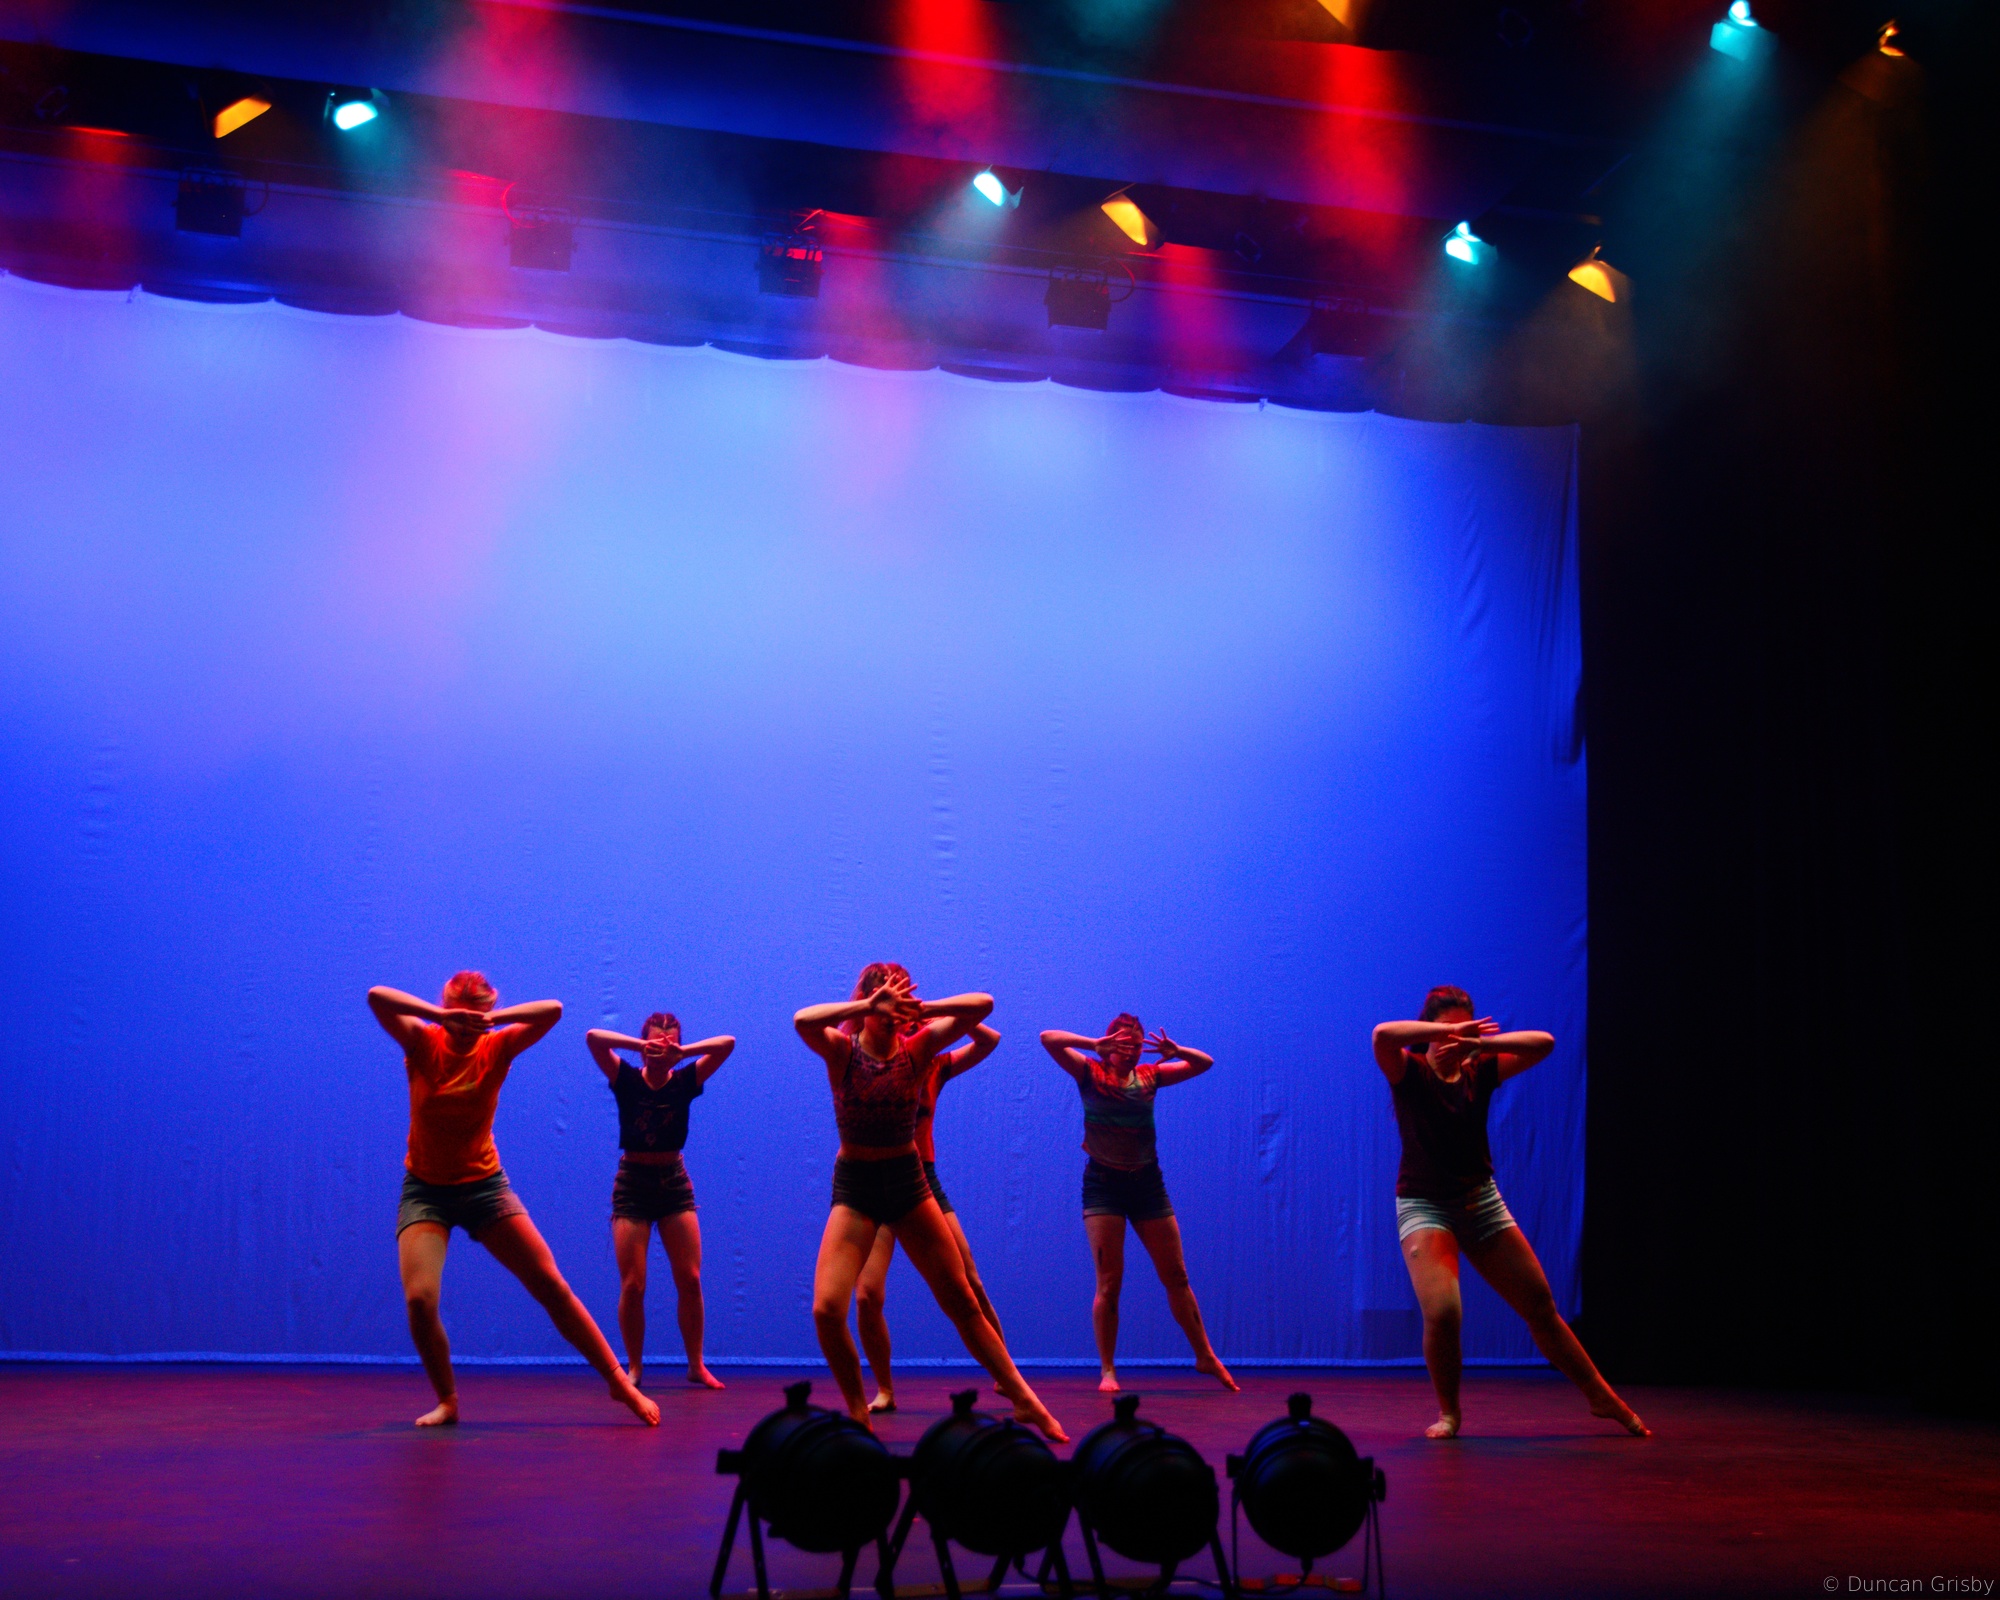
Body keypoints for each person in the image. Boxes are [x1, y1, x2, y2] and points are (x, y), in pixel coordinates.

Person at [367, 974, 659, 1429]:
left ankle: (619, 1383)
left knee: (550, 1283)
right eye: (458, 1017)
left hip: (484, 1186)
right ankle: (448, 1401)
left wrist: (491, 1020)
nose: (466, 1027)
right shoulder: (422, 1042)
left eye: (475, 1018)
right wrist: (440, 1015)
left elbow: (553, 1009)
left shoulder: (496, 1046)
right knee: (420, 1300)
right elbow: (377, 997)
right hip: (426, 1190)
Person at [794, 964, 1065, 1441]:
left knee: (961, 1298)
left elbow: (984, 1006)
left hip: (907, 1181)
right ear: (867, 1003)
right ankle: (858, 1411)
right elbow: (802, 1020)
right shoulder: (841, 1051)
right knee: (827, 1309)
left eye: (897, 1001)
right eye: (883, 1000)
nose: (890, 1011)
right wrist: (867, 1004)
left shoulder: (919, 1050)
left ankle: (1024, 1398)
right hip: (856, 1186)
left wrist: (923, 1008)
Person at [1371, 986, 1648, 1439]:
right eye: (1446, 1032)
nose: (1455, 1041)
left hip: (1479, 1200)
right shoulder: (1409, 1071)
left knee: (1539, 1305)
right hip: (1425, 1203)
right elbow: (1383, 1035)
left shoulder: (1480, 1070)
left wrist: (1480, 1044)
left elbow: (1544, 1044)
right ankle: (1449, 1413)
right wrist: (1443, 1034)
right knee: (1444, 1311)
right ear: (1428, 1033)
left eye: (1464, 1031)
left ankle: (1601, 1395)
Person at [1040, 1015, 1238, 1394]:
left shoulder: (1150, 1077)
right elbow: (1048, 1038)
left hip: (1147, 1185)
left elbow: (1205, 1063)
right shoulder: (1090, 1072)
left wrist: (1177, 1051)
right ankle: (1108, 1370)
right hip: (1104, 1187)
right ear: (1110, 1045)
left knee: (1176, 1276)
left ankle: (1205, 1355)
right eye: (1122, 1044)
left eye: (1134, 1045)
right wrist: (1092, 1044)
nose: (1129, 1051)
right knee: (1109, 1282)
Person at [853, 1020, 1004, 1414]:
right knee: (867, 1295)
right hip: (876, 1182)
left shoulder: (934, 1064)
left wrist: (942, 1014)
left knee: (969, 1280)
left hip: (921, 1180)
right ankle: (884, 1390)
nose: (901, 1025)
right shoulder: (864, 1060)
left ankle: (1006, 1376)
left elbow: (989, 1040)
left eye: (908, 1019)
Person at [585, 1012, 735, 1391]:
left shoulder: (685, 1080)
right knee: (633, 1285)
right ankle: (634, 1367)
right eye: (655, 1042)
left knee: (690, 1279)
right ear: (644, 1045)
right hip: (633, 1183)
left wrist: (683, 1052)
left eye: (669, 1044)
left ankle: (696, 1364)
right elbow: (593, 1038)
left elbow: (727, 1044)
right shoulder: (626, 1078)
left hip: (673, 1183)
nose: (661, 1049)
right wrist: (640, 1046)